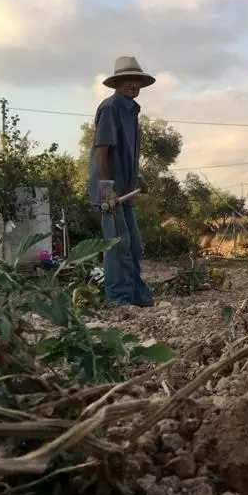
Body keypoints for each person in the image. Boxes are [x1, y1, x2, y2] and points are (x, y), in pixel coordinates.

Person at [87, 56, 155, 307]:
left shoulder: (132, 112)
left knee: (134, 246)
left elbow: (129, 154)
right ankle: (118, 300)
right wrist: (107, 190)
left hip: (125, 192)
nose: (133, 84)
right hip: (111, 194)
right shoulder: (111, 107)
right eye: (128, 79)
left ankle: (137, 297)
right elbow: (102, 151)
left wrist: (138, 178)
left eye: (136, 80)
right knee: (117, 247)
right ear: (118, 82)